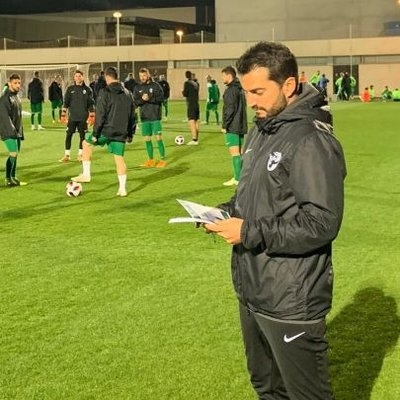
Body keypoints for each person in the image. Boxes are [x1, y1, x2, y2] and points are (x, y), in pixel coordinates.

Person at [205, 41, 346, 400]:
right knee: (267, 388)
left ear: (289, 85)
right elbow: (251, 199)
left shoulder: (311, 139)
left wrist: (248, 231)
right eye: (246, 91)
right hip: (253, 290)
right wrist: (223, 213)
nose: (251, 101)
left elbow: (321, 222)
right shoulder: (261, 131)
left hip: (291, 299)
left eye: (258, 91)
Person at [71, 66, 136, 197]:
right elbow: (133, 116)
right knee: (119, 159)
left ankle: (86, 174)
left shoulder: (105, 92)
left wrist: (95, 134)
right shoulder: (128, 93)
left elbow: (100, 114)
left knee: (85, 144)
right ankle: (122, 189)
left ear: (107, 77)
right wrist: (130, 134)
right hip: (121, 132)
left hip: (106, 131)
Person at [59, 70, 95, 163]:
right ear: (74, 78)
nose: (78, 78)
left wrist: (91, 115)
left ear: (83, 77)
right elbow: (66, 103)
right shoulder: (70, 89)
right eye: (76, 76)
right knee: (69, 135)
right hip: (73, 117)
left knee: (82, 136)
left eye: (80, 76)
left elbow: (91, 104)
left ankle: (80, 155)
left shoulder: (88, 90)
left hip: (83, 117)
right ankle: (67, 155)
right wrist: (63, 114)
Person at [133, 68, 166, 168]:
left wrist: (150, 98)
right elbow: (135, 102)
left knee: (158, 138)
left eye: (144, 75)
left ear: (148, 75)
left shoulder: (155, 86)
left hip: (155, 117)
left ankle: (162, 160)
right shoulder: (137, 88)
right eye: (141, 76)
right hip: (144, 117)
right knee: (147, 139)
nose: (142, 78)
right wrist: (143, 99)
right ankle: (151, 160)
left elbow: (161, 99)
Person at [220, 66, 247, 186]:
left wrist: (225, 125)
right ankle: (241, 176)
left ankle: (237, 178)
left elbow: (229, 109)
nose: (222, 78)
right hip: (240, 124)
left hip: (233, 125)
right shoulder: (240, 88)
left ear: (229, 76)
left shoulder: (231, 90)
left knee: (235, 153)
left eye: (223, 75)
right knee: (240, 153)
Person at [0, 73, 27, 186]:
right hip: (8, 131)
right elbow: (5, 117)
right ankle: (7, 178)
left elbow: (17, 114)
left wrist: (19, 131)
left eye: (19, 83)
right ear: (10, 83)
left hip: (17, 131)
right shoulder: (4, 98)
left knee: (16, 154)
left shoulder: (16, 96)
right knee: (13, 153)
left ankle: (14, 177)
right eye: (15, 83)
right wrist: (13, 132)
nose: (17, 85)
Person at [182, 70, 200, 145]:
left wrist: (182, 91)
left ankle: (194, 140)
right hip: (196, 103)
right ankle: (196, 139)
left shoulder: (187, 83)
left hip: (191, 104)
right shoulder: (196, 84)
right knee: (196, 121)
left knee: (191, 121)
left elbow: (185, 93)